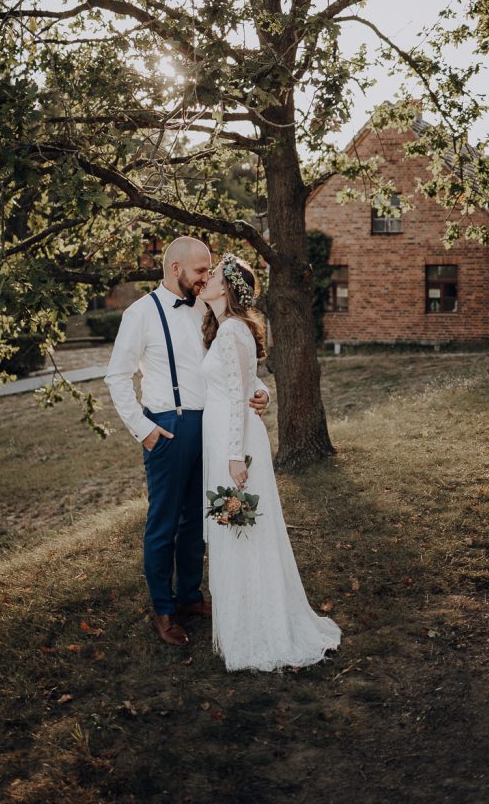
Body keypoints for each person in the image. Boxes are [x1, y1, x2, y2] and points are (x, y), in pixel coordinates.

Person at [104, 236, 270, 647]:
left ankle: (191, 596)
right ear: (175, 268)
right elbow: (117, 376)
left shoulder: (210, 310)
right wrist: (142, 428)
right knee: (163, 522)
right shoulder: (140, 313)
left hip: (213, 427)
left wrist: (261, 389)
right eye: (199, 270)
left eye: (208, 272)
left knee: (199, 519)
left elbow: (228, 368)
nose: (204, 279)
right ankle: (164, 609)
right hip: (169, 427)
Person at [199, 253, 341, 671]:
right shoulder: (226, 329)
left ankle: (257, 629)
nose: (205, 280)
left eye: (212, 276)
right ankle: (246, 619)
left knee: (244, 534)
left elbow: (236, 397)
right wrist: (260, 392)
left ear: (226, 287)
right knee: (239, 533)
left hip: (235, 442)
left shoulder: (230, 332)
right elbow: (244, 382)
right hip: (230, 436)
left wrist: (232, 457)